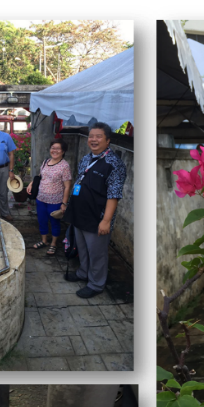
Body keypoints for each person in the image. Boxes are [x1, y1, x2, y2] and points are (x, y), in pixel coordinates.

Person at [64, 123, 125, 299]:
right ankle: (83, 273)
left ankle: (96, 283)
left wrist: (106, 221)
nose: (94, 140)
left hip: (97, 218)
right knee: (82, 248)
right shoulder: (86, 158)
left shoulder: (114, 164)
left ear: (108, 140)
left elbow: (113, 195)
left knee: (97, 253)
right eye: (91, 136)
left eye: (98, 136)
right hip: (79, 213)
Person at [27, 139, 72, 256]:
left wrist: (64, 203)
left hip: (55, 201)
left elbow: (67, 187)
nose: (54, 150)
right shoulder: (46, 161)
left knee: (54, 223)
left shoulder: (64, 166)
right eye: (53, 148)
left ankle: (53, 243)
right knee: (42, 221)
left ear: (63, 151)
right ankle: (44, 241)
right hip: (41, 198)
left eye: (58, 148)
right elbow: (40, 176)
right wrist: (32, 184)